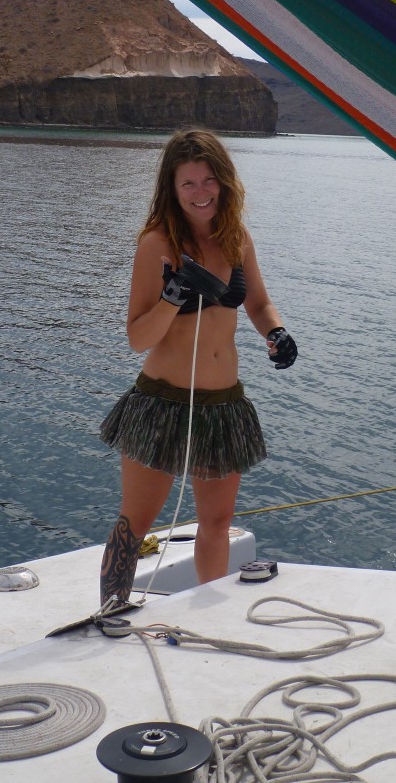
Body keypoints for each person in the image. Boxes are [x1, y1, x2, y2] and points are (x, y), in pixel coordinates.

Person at [99, 128, 297, 608]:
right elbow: (137, 336)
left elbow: (259, 304)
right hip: (161, 403)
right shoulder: (157, 243)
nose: (200, 192)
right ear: (171, 187)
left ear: (224, 183)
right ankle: (110, 612)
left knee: (217, 523)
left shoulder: (237, 238)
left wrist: (276, 334)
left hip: (224, 406)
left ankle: (210, 614)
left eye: (208, 180)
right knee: (136, 521)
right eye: (188, 183)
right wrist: (172, 298)